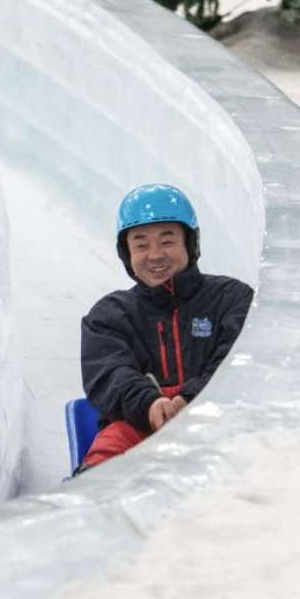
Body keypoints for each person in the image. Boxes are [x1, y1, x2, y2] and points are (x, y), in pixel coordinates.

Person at [74, 184, 253, 474]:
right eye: (141, 245)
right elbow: (110, 373)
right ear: (127, 253)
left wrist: (191, 400)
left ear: (189, 243)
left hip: (217, 420)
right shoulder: (109, 315)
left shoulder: (231, 298)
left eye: (167, 242)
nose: (155, 255)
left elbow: (238, 361)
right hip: (138, 423)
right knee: (108, 455)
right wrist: (150, 404)